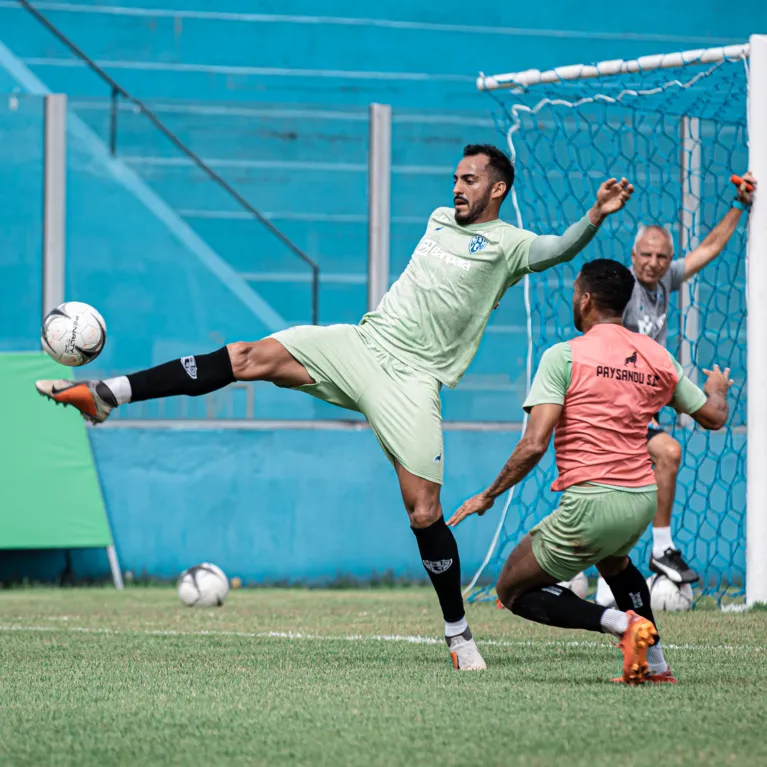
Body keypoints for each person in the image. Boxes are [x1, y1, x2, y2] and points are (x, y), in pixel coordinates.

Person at [35, 145, 634, 671]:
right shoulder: (436, 219)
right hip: (361, 344)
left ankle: (458, 634)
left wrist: (595, 216)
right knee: (247, 356)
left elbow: (559, 248)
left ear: (497, 189)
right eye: (455, 177)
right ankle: (108, 393)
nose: (457, 186)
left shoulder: (511, 245)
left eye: (470, 179)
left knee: (424, 511)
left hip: (414, 380)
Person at [448, 259, 731, 684]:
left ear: (584, 299)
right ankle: (655, 665)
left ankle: (619, 624)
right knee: (615, 563)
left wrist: (489, 495)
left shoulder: (565, 356)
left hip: (591, 503)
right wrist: (718, 389)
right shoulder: (656, 355)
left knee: (511, 589)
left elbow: (534, 444)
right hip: (640, 500)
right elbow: (713, 416)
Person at [620, 172, 756, 586]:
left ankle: (641, 563)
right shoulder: (621, 289)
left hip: (643, 408)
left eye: (661, 257)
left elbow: (710, 249)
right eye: (646, 254)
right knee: (654, 463)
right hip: (616, 405)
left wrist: (740, 205)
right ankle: (651, 552)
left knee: (650, 471)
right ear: (633, 254)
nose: (653, 263)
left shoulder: (664, 283)